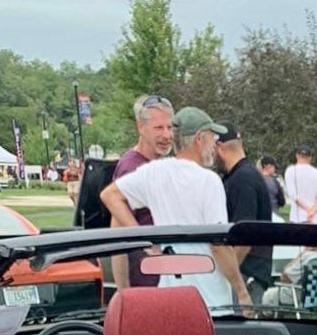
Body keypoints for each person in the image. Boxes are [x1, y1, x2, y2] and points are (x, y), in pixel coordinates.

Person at [100, 106, 251, 314]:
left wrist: (144, 237)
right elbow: (218, 245)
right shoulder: (209, 181)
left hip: (170, 297)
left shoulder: (154, 172)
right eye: (212, 138)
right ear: (199, 139)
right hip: (210, 300)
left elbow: (110, 195)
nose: (214, 146)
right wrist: (241, 291)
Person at [110, 93, 175, 289]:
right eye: (159, 128)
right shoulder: (132, 168)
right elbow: (117, 234)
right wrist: (124, 293)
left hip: (168, 279)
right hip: (146, 286)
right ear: (141, 127)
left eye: (170, 127)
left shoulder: (159, 166)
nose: (167, 135)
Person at [215, 122, 274, 304]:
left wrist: (224, 277)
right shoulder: (242, 176)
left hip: (246, 272)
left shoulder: (242, 180)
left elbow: (244, 237)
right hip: (247, 270)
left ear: (220, 148)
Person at [284, 144, 317, 223]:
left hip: (297, 218)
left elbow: (293, 195)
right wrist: (312, 211)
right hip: (313, 218)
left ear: (297, 156)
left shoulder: (290, 171)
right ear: (310, 157)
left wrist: (307, 209)